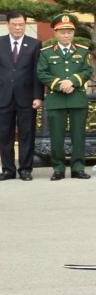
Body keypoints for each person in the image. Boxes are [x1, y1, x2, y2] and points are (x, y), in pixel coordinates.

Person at [37, 14, 89, 181]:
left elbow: (87, 71)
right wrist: (60, 83)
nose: (67, 35)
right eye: (63, 32)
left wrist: (73, 81)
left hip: (77, 98)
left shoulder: (82, 51)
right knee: (57, 136)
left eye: (69, 32)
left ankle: (78, 168)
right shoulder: (46, 53)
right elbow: (41, 73)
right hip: (56, 99)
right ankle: (58, 168)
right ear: (55, 33)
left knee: (78, 135)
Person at [0, 11, 43, 181]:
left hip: (27, 97)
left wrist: (38, 96)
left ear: (25, 25)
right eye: (14, 24)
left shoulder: (35, 44)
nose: (17, 28)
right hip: (3, 97)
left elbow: (37, 72)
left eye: (21, 24)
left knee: (27, 134)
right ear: (7, 24)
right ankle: (8, 169)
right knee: (4, 135)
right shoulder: (0, 43)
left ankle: (25, 169)